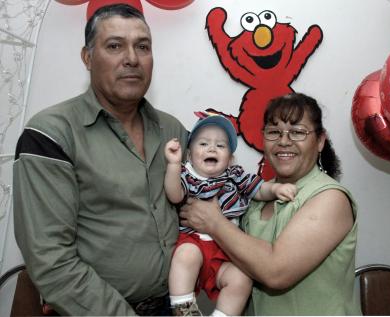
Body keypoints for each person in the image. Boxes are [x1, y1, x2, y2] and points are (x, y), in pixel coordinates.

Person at [13, 3, 187, 316]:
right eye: (115, 46)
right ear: (87, 57)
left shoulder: (172, 130)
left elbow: (198, 206)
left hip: (169, 306)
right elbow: (50, 260)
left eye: (143, 46)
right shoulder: (52, 133)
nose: (132, 58)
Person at [179, 93, 362, 315]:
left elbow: (276, 272)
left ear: (320, 141)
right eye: (274, 132)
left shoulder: (330, 198)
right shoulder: (256, 196)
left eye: (297, 132)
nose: (284, 141)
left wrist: (214, 223)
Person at [164, 114, 297, 316]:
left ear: (230, 159)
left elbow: (259, 189)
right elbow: (174, 195)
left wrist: (276, 189)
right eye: (203, 143)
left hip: (226, 249)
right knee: (185, 256)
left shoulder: (235, 176)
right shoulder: (188, 175)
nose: (212, 148)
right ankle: (183, 309)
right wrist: (173, 165)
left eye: (220, 146)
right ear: (190, 155)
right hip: (194, 241)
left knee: (241, 278)